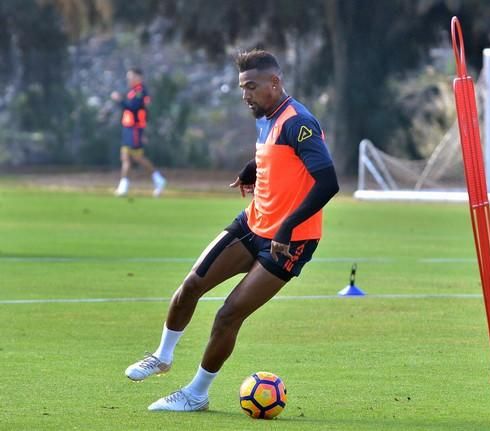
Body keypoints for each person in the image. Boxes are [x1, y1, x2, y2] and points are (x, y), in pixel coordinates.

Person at [124, 49, 339, 412]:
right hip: (253, 222)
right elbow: (278, 156)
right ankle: (162, 356)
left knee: (228, 314)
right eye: (242, 87)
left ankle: (196, 394)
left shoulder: (298, 122)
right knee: (191, 284)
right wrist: (252, 168)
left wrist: (287, 226)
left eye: (251, 87)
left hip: (290, 241)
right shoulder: (266, 117)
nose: (245, 95)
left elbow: (328, 181)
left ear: (275, 82)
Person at [111, 68, 167, 197]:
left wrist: (119, 100)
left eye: (131, 77)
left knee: (137, 157)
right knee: (125, 156)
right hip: (128, 128)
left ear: (138, 78)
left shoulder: (140, 92)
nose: (129, 79)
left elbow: (134, 107)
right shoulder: (132, 91)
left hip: (135, 128)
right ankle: (123, 186)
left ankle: (158, 179)